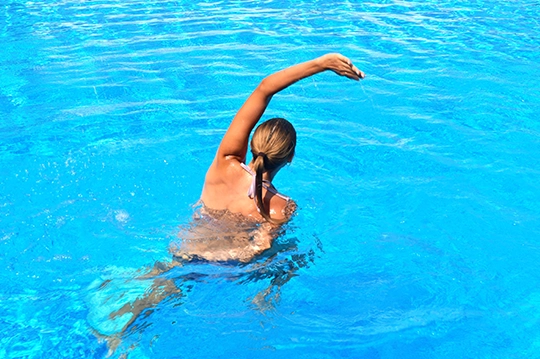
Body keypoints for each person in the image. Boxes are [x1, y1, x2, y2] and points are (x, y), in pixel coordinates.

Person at [172, 53, 364, 262]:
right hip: (228, 270)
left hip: (184, 254)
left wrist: (321, 64)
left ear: (253, 143)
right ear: (290, 157)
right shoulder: (282, 206)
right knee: (295, 256)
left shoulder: (224, 162)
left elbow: (265, 88)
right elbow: (260, 247)